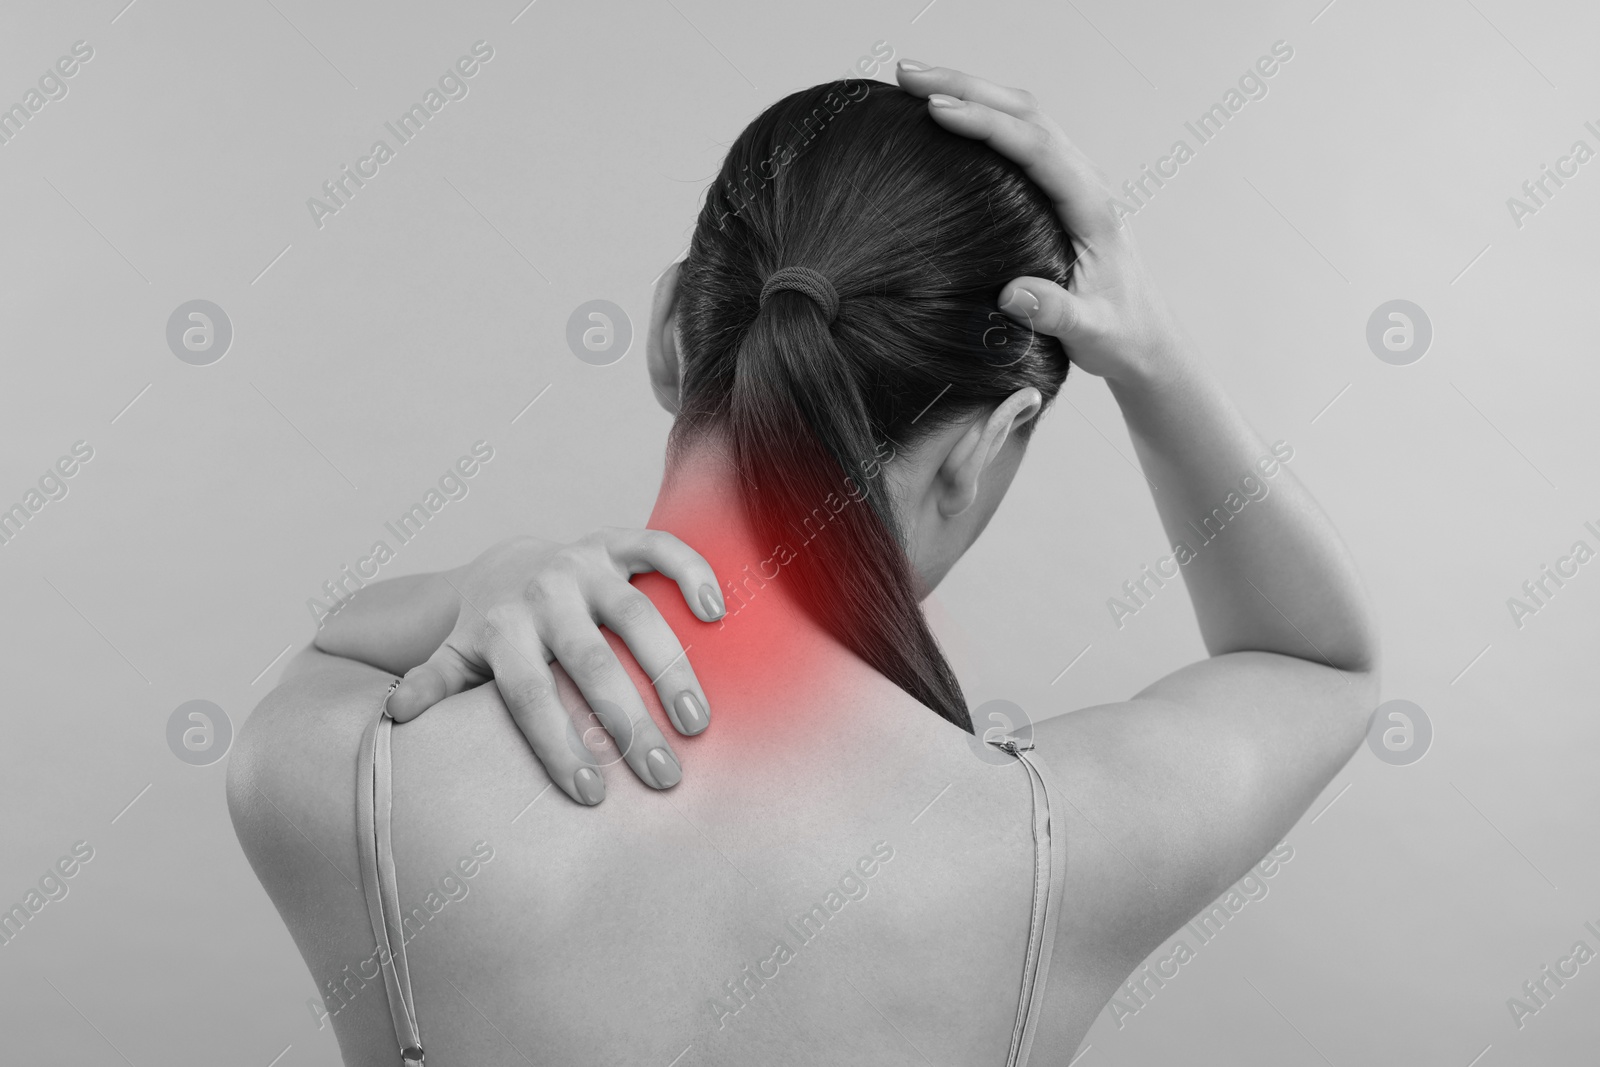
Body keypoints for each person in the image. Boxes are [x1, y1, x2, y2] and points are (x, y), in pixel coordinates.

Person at [228, 63, 1379, 1066]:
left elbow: (328, 647)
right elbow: (1314, 662)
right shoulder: (1051, 851)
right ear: (984, 442)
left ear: (674, 327)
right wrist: (1149, 353)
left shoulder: (351, 780)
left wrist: (470, 585)